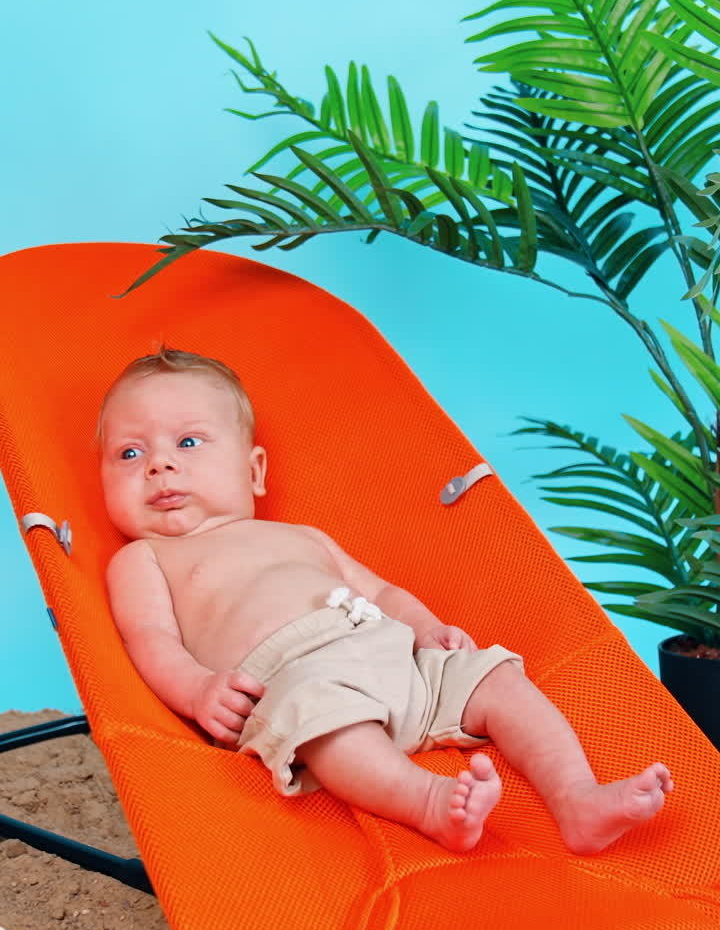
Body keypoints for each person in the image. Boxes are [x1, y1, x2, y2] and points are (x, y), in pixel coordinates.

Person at [99, 346, 673, 855]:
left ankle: (577, 798)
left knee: (497, 677)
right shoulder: (143, 560)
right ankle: (429, 803)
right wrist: (199, 690)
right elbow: (152, 641)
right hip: (293, 679)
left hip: (391, 651)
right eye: (129, 454)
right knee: (326, 726)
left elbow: (378, 592)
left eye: (189, 442)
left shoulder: (304, 536)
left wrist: (425, 627)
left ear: (254, 471)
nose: (159, 464)